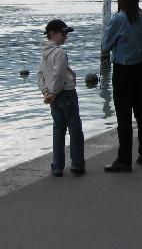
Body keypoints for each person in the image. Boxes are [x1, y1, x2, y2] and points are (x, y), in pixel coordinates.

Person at [102, 0, 142, 172]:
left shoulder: (119, 19)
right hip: (140, 68)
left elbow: (106, 44)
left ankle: (124, 159)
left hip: (123, 70)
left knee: (124, 117)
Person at [37, 19, 85, 177]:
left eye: (67, 33)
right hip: (65, 93)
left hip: (53, 97)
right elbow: (58, 75)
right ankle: (77, 164)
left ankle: (57, 166)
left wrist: (46, 92)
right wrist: (54, 93)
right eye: (63, 33)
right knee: (75, 129)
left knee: (58, 130)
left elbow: (40, 75)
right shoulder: (60, 53)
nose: (66, 36)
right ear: (52, 34)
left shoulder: (44, 53)